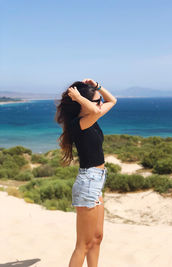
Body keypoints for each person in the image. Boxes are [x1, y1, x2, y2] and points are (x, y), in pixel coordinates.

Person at [55, 78, 117, 267]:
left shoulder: (91, 117)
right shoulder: (78, 124)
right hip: (88, 181)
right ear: (83, 103)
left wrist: (97, 86)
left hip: (96, 181)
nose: (100, 104)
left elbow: (112, 101)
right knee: (83, 244)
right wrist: (79, 98)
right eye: (96, 100)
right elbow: (97, 109)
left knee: (97, 237)